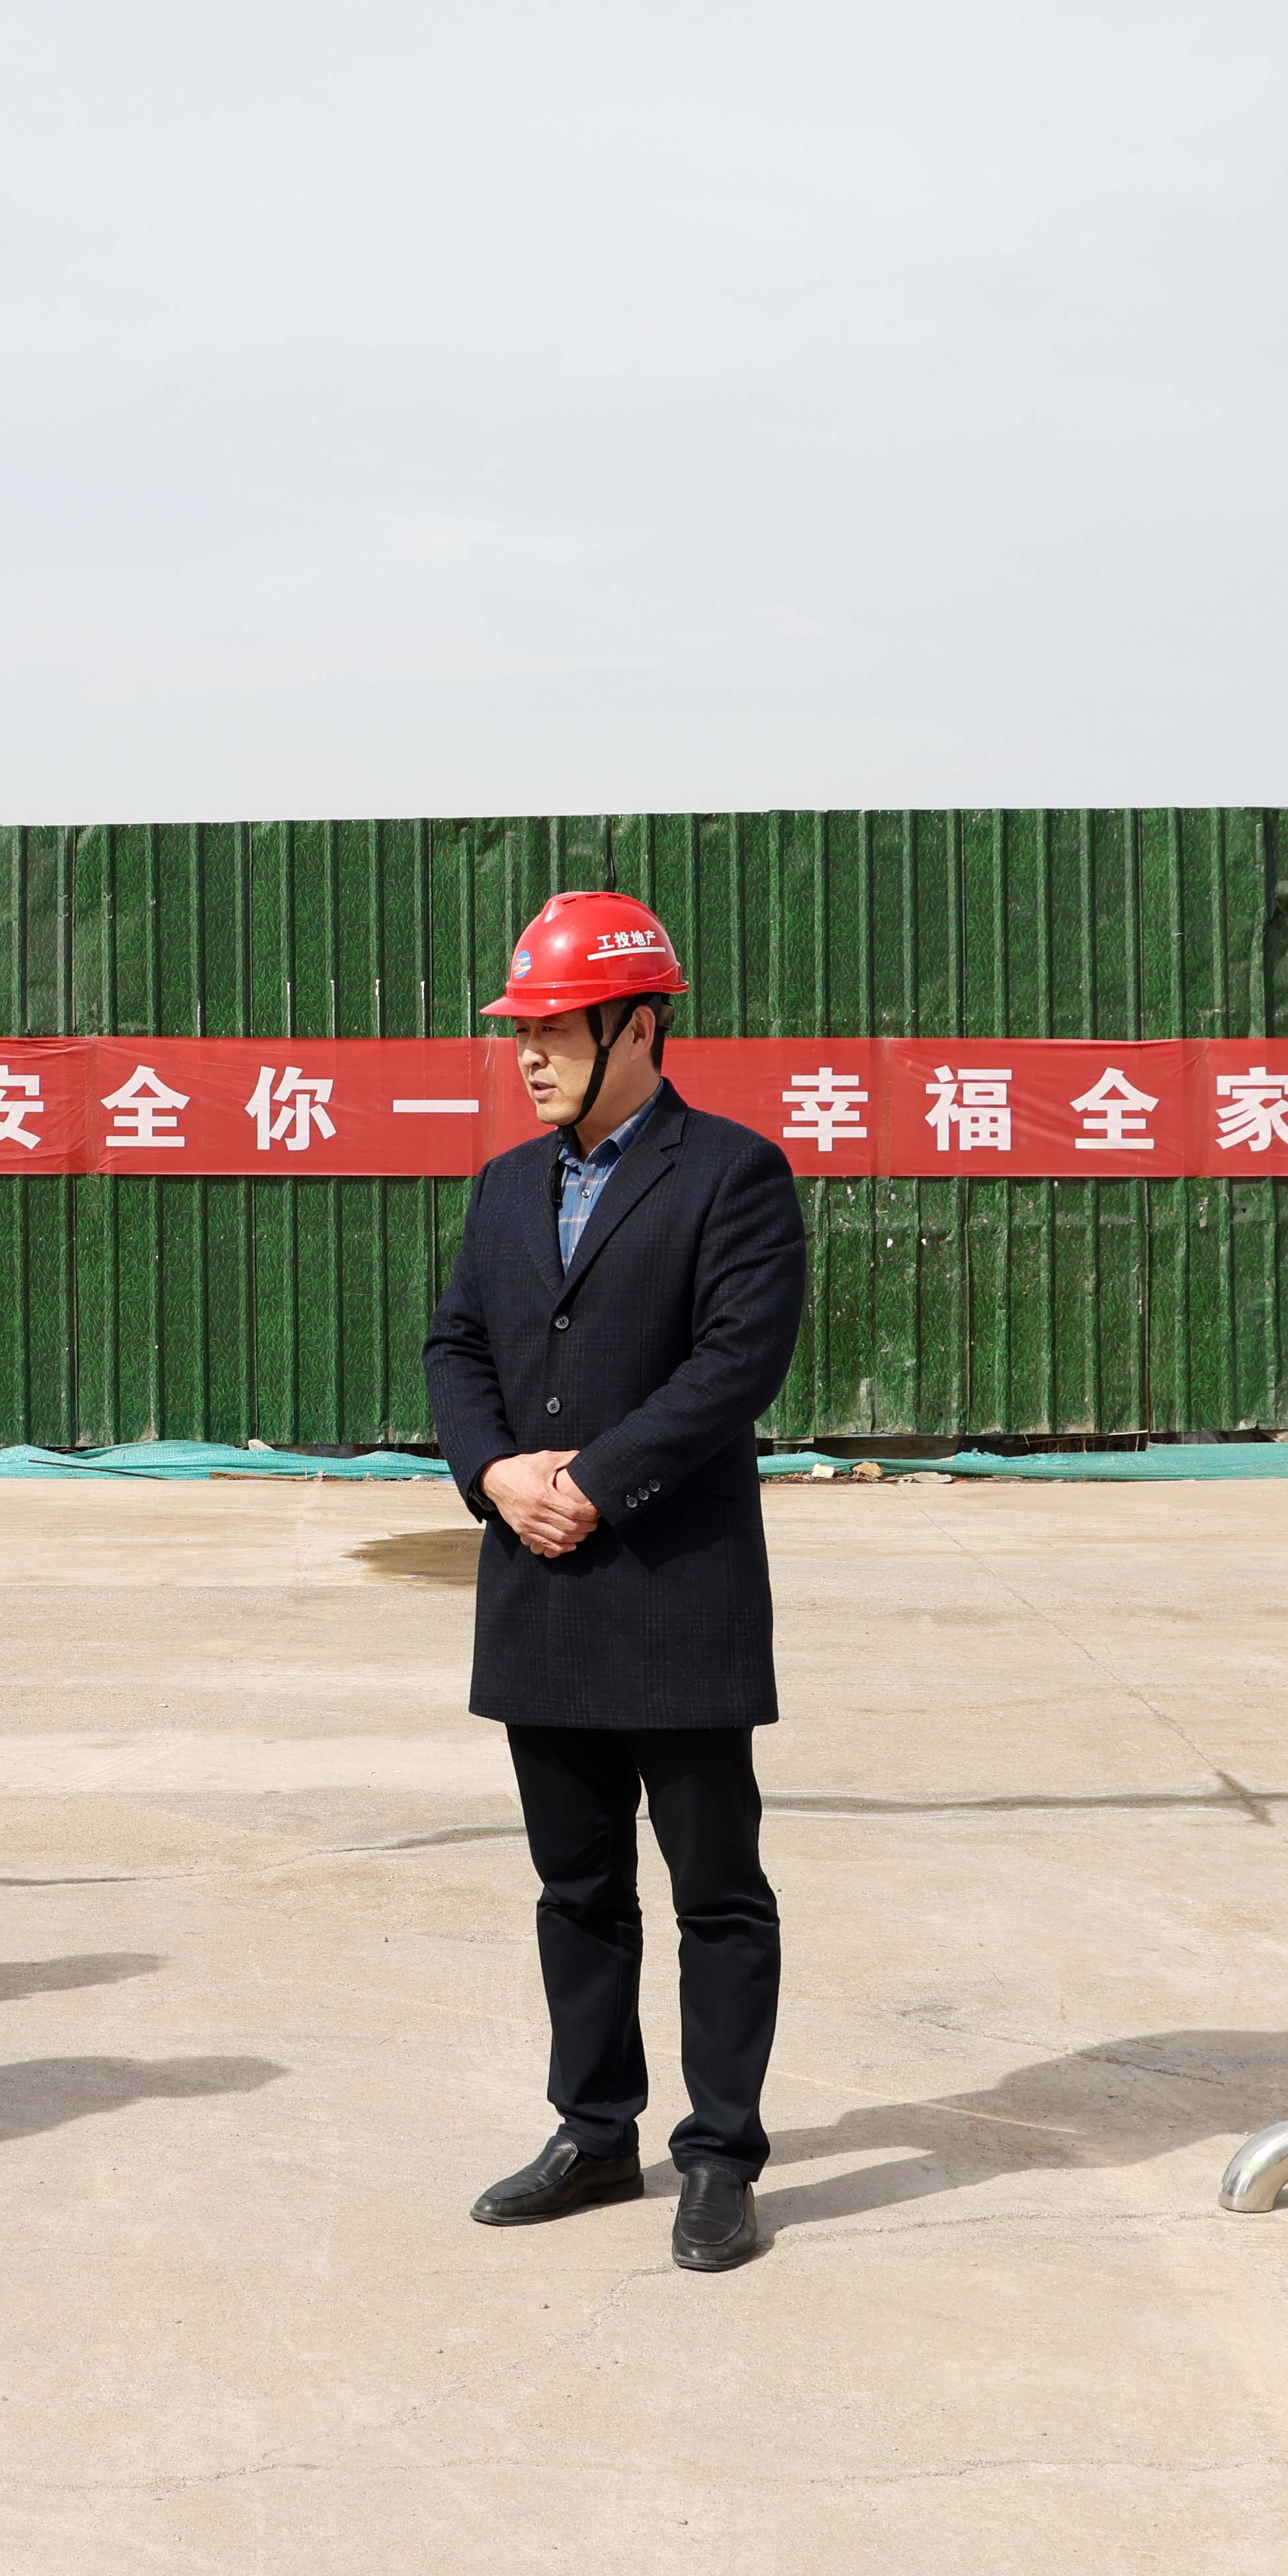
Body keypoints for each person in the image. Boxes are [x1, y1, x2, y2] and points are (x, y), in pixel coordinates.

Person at [420, 892, 807, 2275]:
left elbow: (735, 1362)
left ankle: (720, 2157)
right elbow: (456, 1346)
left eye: (555, 1029)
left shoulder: (733, 1174)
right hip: (540, 1586)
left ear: (638, 1028)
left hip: (674, 1586)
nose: (527, 1055)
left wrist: (594, 1480)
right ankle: (594, 2134)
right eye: (518, 1031)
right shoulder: (504, 1186)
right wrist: (494, 1474)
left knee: (715, 1891)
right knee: (576, 1888)